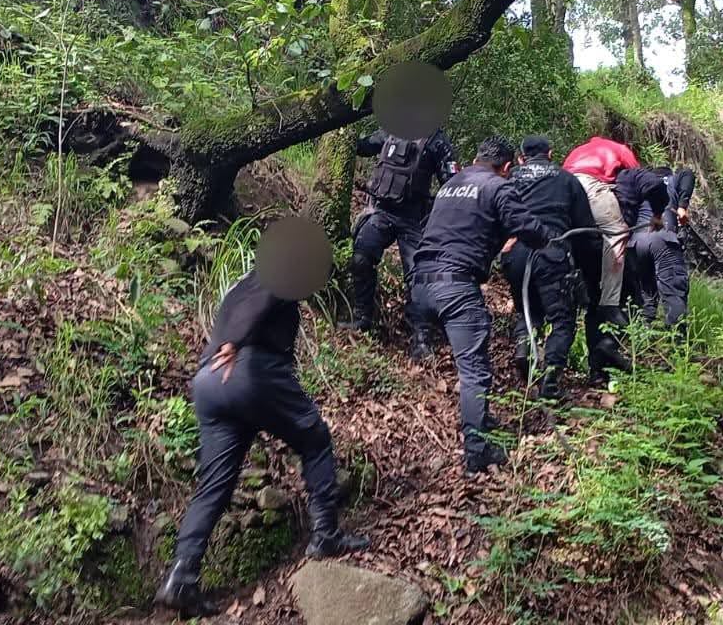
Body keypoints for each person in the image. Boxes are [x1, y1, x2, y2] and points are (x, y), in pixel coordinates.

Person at [154, 218, 369, 617]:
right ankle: (326, 535)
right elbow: (263, 301)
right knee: (315, 438)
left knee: (213, 485)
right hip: (250, 371)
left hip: (209, 383)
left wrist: (230, 342)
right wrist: (236, 341)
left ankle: (181, 577)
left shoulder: (240, 282)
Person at [411, 136, 545, 474]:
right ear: (507, 167)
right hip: (454, 287)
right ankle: (476, 452)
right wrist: (548, 236)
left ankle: (481, 419)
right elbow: (524, 226)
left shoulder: (453, 183)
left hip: (419, 285)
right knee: (474, 372)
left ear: (475, 158)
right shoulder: (498, 186)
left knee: (471, 365)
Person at [342, 128, 459, 361]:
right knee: (361, 258)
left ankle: (422, 338)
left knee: (419, 278)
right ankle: (363, 318)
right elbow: (364, 146)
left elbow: (453, 181)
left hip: (414, 219)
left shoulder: (436, 139)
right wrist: (344, 131)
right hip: (381, 211)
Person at [498, 135, 597, 399]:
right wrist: (589, 271)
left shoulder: (511, 177)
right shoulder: (566, 179)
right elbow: (585, 229)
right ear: (551, 153)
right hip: (552, 252)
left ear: (520, 158)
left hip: (515, 253)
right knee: (562, 320)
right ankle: (550, 383)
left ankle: (524, 350)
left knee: (525, 309)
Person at [562, 137, 667, 384]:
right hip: (593, 194)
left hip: (566, 190)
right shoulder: (623, 159)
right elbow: (650, 183)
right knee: (616, 236)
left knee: (585, 282)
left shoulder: (578, 150)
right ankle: (610, 310)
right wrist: (657, 215)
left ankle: (594, 368)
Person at [630, 166, 695, 325]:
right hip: (662, 237)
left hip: (635, 242)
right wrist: (682, 205)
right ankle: (678, 342)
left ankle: (642, 335)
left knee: (646, 291)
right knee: (674, 290)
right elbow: (687, 173)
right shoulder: (672, 179)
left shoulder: (641, 185)